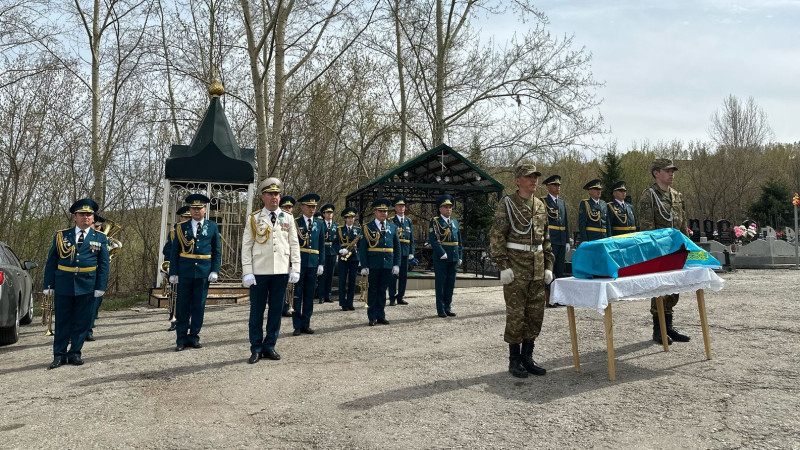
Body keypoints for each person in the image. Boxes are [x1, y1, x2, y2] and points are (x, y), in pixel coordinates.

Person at [489, 163, 554, 378]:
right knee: (516, 315)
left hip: (536, 269)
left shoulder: (540, 205)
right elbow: (497, 236)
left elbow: (546, 239)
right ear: (518, 180)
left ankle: (528, 356)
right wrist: (503, 266)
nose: (533, 180)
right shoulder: (508, 203)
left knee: (535, 315)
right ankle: (514, 360)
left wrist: (548, 266)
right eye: (528, 177)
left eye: (535, 177)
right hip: (516, 269)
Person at [42, 198, 109, 369]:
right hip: (64, 283)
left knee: (82, 321)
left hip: (87, 284)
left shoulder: (100, 237)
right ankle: (59, 355)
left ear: (93, 217)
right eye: (82, 214)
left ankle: (75, 353)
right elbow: (51, 262)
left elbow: (103, 265)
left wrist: (100, 287)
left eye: (89, 214)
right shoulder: (61, 236)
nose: (86, 217)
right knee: (62, 321)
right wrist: (48, 285)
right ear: (75, 217)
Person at [241, 178, 301, 364]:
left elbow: (294, 245)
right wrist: (247, 271)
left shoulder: (288, 217)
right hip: (259, 271)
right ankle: (256, 348)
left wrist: (295, 268)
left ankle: (270, 346)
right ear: (263, 197)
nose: (274, 197)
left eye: (277, 194)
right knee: (256, 311)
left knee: (276, 310)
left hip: (281, 270)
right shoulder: (254, 218)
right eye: (270, 194)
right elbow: (246, 246)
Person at [637, 158, 691, 345]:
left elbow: (683, 223)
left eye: (672, 171)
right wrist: (654, 250)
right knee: (660, 287)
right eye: (667, 170)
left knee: (674, 287)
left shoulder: (677, 195)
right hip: (660, 249)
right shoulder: (649, 196)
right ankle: (658, 329)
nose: (671, 173)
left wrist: (687, 246)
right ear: (656, 173)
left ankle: (669, 325)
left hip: (677, 249)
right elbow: (647, 227)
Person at [168, 193, 221, 351]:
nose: (196, 211)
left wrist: (215, 270)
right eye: (193, 208)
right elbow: (174, 251)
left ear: (205, 209)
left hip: (203, 271)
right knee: (183, 306)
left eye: (200, 208)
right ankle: (181, 338)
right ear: (190, 210)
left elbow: (217, 251)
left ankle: (194, 336)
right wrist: (173, 272)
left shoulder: (212, 227)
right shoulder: (181, 228)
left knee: (199, 305)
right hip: (185, 271)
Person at [357, 199, 400, 326]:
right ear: (375, 212)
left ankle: (381, 315)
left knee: (382, 290)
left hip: (387, 263)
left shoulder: (393, 227)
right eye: (381, 211)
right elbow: (363, 248)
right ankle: (372, 316)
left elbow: (397, 247)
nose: (383, 213)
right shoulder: (367, 227)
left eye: (385, 211)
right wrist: (364, 265)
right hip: (373, 263)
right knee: (373, 291)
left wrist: (396, 264)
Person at [292, 193, 325, 335]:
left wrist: (321, 263)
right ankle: (297, 325)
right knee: (297, 294)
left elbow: (322, 245)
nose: (312, 209)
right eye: (309, 206)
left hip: (313, 263)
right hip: (299, 263)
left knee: (309, 295)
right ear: (303, 207)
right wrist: (291, 264)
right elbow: (291, 245)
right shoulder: (295, 223)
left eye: (314, 207)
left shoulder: (320, 223)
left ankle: (306, 323)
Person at [428, 194, 462, 318]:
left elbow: (459, 241)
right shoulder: (435, 221)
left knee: (450, 284)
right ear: (440, 209)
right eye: (446, 207)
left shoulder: (454, 222)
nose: (449, 210)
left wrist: (460, 255)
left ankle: (448, 307)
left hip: (453, 256)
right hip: (441, 258)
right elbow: (433, 240)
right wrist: (442, 252)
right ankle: (440, 309)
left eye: (450, 207)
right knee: (441, 284)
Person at [161, 206, 191, 331]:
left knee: (188, 295)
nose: (187, 219)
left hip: (188, 268)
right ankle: (174, 319)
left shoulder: (194, 232)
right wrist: (165, 267)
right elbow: (166, 250)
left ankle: (187, 320)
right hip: (176, 268)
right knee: (174, 294)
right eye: (185, 217)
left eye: (189, 217)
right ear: (180, 218)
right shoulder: (173, 233)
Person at [541, 175, 569, 308]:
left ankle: (558, 298)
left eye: (559, 185)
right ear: (548, 187)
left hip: (562, 240)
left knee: (559, 269)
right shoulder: (543, 202)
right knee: (549, 270)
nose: (558, 187)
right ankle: (549, 298)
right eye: (555, 185)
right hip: (550, 239)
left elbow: (566, 222)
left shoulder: (562, 203)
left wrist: (567, 239)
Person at [388, 196, 414, 306]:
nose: (401, 208)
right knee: (393, 275)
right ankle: (392, 297)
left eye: (403, 206)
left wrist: (412, 252)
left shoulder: (408, 221)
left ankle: (400, 296)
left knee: (404, 276)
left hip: (405, 251)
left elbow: (411, 237)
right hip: (395, 252)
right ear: (395, 208)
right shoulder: (391, 221)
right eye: (399, 206)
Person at [333, 206, 361, 311]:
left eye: (353, 217)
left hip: (354, 257)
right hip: (343, 257)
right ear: (345, 218)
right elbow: (335, 243)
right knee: (342, 280)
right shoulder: (339, 229)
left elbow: (361, 245)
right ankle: (343, 303)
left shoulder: (358, 230)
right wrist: (340, 250)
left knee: (353, 281)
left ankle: (350, 302)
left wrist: (360, 257)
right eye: (349, 217)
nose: (351, 219)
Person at [577, 179, 610, 244]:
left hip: (604, 238)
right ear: (590, 191)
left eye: (600, 189)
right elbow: (582, 223)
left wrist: (609, 238)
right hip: (592, 238)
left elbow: (607, 224)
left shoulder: (604, 204)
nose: (599, 191)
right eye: (596, 189)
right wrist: (584, 239)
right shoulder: (585, 203)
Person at [317, 203, 338, 304]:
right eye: (327, 213)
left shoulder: (336, 225)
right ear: (323, 214)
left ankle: (328, 295)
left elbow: (338, 241)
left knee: (330, 275)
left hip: (332, 252)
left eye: (331, 213)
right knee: (322, 275)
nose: (329, 214)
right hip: (323, 250)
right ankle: (321, 295)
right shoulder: (320, 224)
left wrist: (337, 252)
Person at [279, 196, 296, 317]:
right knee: (281, 285)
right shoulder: (279, 220)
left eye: (289, 207)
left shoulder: (293, 221)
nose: (288, 209)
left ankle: (288, 305)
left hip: (290, 256)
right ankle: (282, 306)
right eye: (285, 207)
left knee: (290, 285)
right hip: (281, 256)